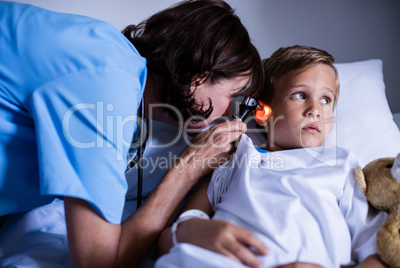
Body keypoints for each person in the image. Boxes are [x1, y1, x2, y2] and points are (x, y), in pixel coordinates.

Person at [0, 0, 267, 267]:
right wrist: (190, 166)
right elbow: (99, 260)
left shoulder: (111, 58)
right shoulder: (107, 81)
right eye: (232, 96)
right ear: (198, 78)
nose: (225, 112)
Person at [156, 45, 387, 268]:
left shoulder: (342, 165)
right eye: (300, 95)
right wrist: (192, 230)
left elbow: (378, 253)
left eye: (326, 100)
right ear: (263, 113)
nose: (315, 109)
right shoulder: (234, 159)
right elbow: (168, 241)